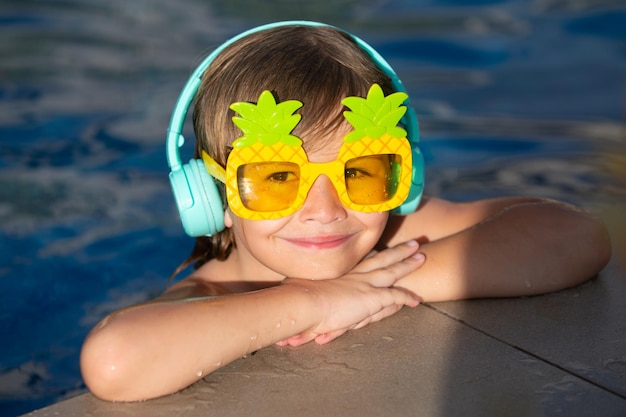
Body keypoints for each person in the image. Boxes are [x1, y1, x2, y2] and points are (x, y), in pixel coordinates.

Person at [80, 21, 611, 402]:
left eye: (358, 171)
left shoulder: (392, 230)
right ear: (210, 197)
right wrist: (313, 302)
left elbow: (574, 234)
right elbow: (114, 360)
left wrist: (381, 288)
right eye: (279, 177)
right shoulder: (211, 297)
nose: (326, 210)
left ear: (403, 179)